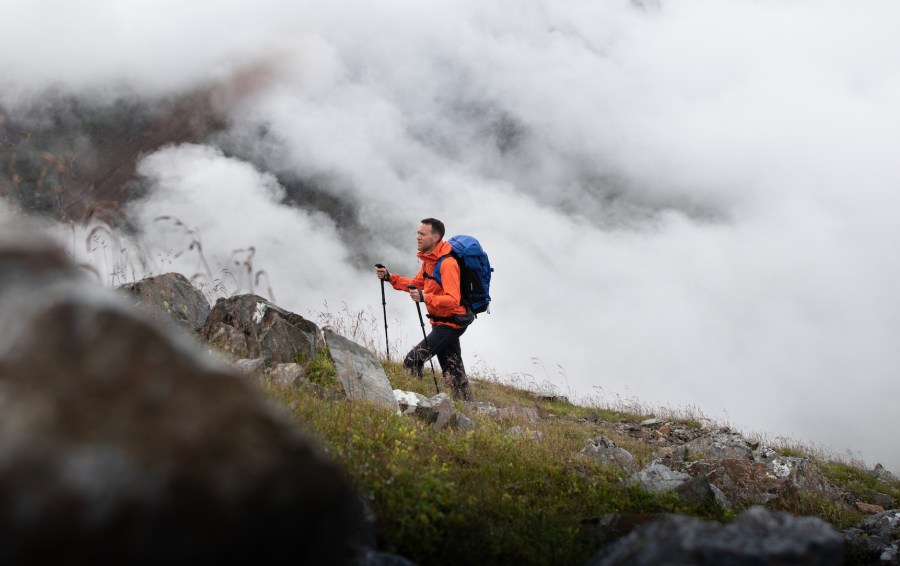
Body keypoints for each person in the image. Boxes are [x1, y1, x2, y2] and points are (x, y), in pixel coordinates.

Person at [375, 218, 473, 401]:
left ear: (435, 237)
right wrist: (390, 277)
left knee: (412, 360)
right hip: (441, 321)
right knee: (453, 371)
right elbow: (417, 283)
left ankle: (417, 405)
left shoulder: (447, 264)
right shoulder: (430, 260)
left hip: (451, 323)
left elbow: (453, 300)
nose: (417, 237)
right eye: (417, 233)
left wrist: (426, 297)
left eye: (422, 234)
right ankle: (467, 406)